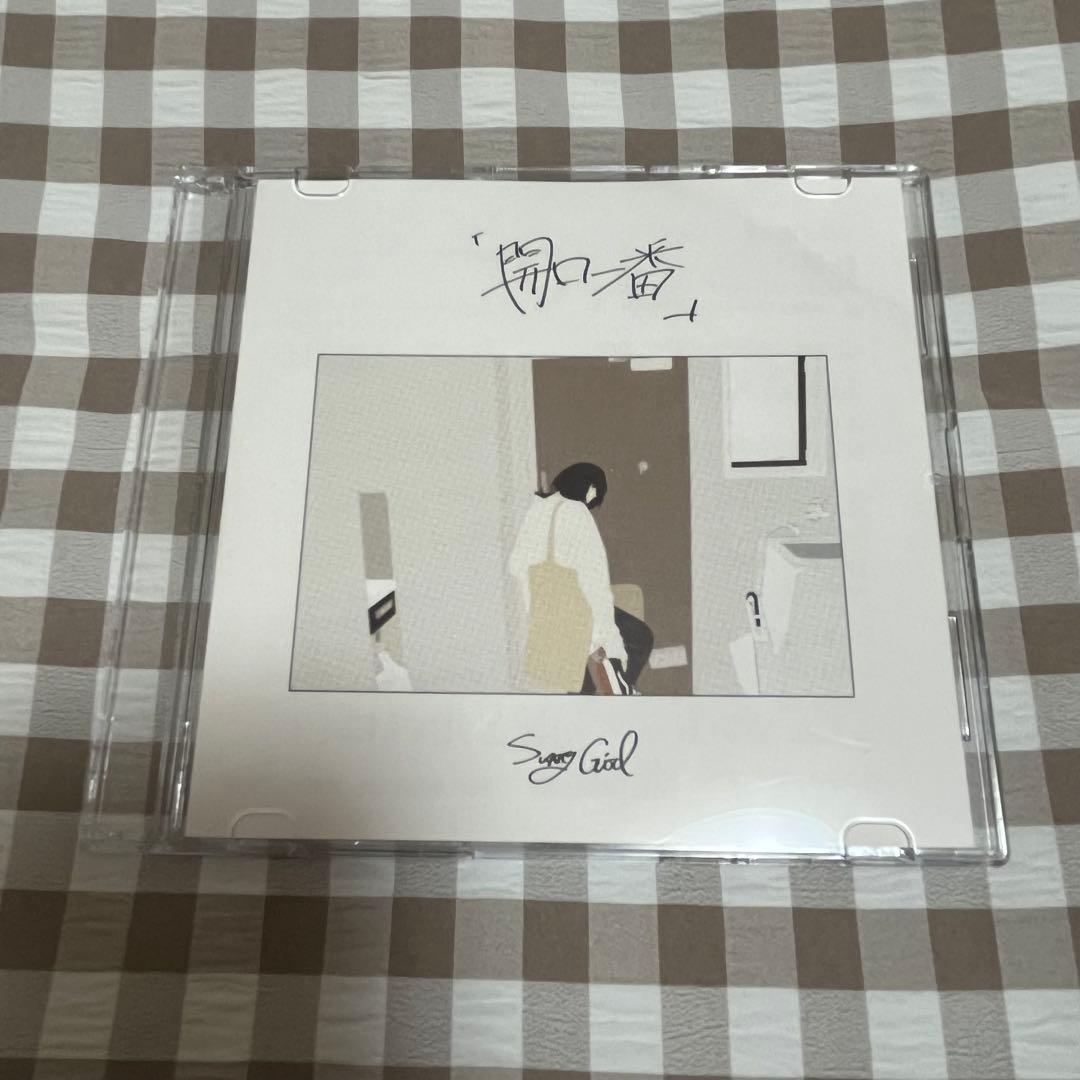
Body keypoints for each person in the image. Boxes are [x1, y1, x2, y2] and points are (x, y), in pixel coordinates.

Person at [509, 462, 654, 693]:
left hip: (546, 615)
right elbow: (594, 585)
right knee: (640, 638)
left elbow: (518, 568)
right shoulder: (576, 512)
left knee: (579, 688)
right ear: (590, 489)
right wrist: (602, 641)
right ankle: (620, 688)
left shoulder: (537, 511)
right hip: (576, 612)